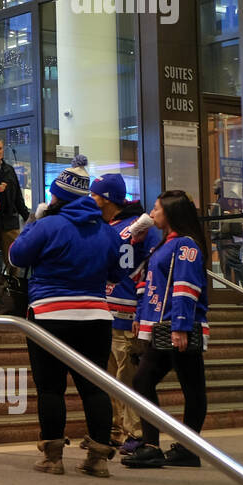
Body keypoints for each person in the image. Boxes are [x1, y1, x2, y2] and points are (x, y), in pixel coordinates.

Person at [7, 161, 120, 478]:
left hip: (50, 315)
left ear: (57, 197)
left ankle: (53, 457)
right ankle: (98, 459)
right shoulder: (106, 232)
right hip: (97, 317)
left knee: (51, 388)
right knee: (95, 388)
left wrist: (33, 221)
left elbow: (16, 256)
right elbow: (118, 272)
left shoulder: (47, 225)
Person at [122, 190, 211, 470]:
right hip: (162, 326)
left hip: (175, 326)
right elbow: (141, 276)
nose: (152, 212)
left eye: (157, 208)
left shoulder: (185, 245)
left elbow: (185, 287)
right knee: (173, 383)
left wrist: (181, 326)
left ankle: (166, 446)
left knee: (183, 385)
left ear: (171, 213)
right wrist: (140, 314)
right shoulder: (165, 244)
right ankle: (177, 447)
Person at [91, 174, 160, 454]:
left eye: (95, 195)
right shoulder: (104, 226)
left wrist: (144, 313)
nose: (91, 199)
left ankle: (136, 432)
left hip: (128, 314)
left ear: (106, 198)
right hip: (104, 313)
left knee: (127, 378)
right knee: (107, 378)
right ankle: (116, 429)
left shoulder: (141, 227)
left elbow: (153, 268)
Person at [0, 137, 29, 273]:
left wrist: (27, 217)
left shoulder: (9, 170)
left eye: (0, 148)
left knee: (14, 262)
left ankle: (11, 293)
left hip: (9, 221)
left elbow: (17, 197)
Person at [209, 180, 243, 288]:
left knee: (234, 265)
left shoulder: (227, 201)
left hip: (228, 239)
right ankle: (235, 292)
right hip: (227, 239)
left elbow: (229, 221)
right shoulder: (227, 199)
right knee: (228, 268)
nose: (213, 188)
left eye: (215, 185)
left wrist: (219, 234)